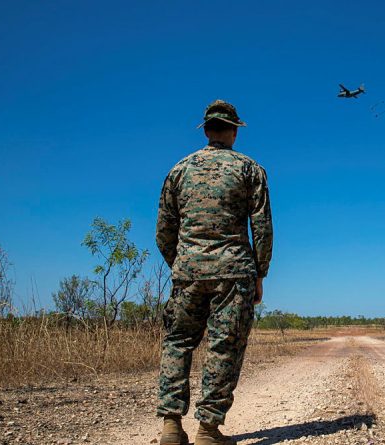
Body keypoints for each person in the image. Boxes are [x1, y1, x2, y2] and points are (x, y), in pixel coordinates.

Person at [155, 99, 273, 445]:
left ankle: (171, 427)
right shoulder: (250, 169)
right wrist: (260, 274)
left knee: (178, 342)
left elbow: (164, 229)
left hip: (188, 272)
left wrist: (182, 264)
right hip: (233, 272)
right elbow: (262, 228)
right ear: (234, 131)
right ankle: (208, 430)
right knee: (224, 346)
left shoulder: (179, 170)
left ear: (206, 130)